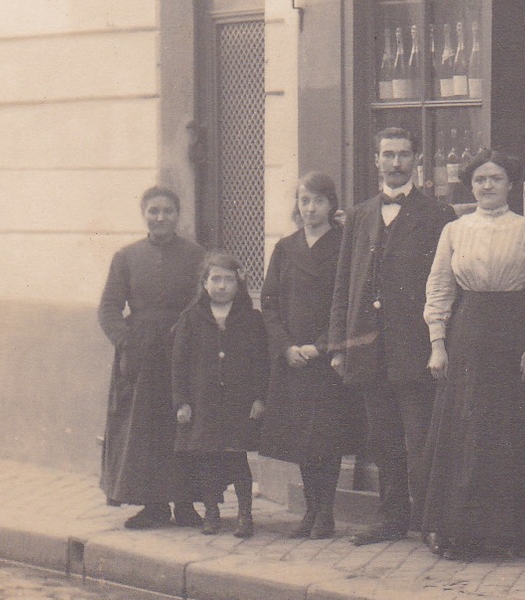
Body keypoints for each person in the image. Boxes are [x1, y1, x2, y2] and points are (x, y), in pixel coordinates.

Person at [421, 150, 525, 560]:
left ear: (510, 186)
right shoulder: (454, 230)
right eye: (480, 179)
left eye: (496, 179)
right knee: (465, 429)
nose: (487, 186)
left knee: (507, 431)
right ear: (471, 185)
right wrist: (437, 343)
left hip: (511, 336)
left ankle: (508, 534)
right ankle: (457, 532)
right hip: (468, 333)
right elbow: (440, 288)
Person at [328, 127, 456, 546]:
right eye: (388, 155)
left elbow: (446, 285)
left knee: (421, 438)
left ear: (416, 159)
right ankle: (392, 518)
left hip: (415, 345)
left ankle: (430, 521)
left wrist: (440, 342)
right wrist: (339, 345)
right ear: (377, 160)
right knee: (383, 441)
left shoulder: (438, 215)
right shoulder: (360, 214)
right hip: (369, 347)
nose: (396, 162)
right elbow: (345, 282)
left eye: (404, 155)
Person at [259, 173, 363, 539]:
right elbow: (269, 303)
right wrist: (285, 346)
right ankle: (310, 510)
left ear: (331, 205)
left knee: (326, 438)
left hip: (325, 358)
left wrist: (321, 346)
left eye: (318, 201)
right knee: (302, 438)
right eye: (304, 201)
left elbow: (348, 302)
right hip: (293, 359)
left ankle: (326, 513)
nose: (310, 208)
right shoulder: (285, 248)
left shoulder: (342, 245)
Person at [97, 186, 207, 530]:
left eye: (168, 212)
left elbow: (202, 301)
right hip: (141, 353)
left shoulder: (196, 256)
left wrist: (187, 336)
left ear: (179, 215)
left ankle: (187, 504)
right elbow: (109, 308)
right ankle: (154, 505)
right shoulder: (126, 257)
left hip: (183, 346)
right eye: (154, 211)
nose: (161, 218)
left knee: (183, 425)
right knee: (144, 428)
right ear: (144, 214)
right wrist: (126, 343)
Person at [171, 251, 268, 538]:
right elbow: (179, 364)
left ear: (239, 286)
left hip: (239, 404)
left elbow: (262, 362)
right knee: (207, 462)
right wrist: (182, 402)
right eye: (215, 279)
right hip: (204, 404)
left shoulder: (251, 318)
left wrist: (260, 398)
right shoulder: (191, 318)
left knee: (238, 461)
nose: (222, 286)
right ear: (204, 283)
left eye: (228, 280)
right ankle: (211, 514)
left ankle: (245, 516)